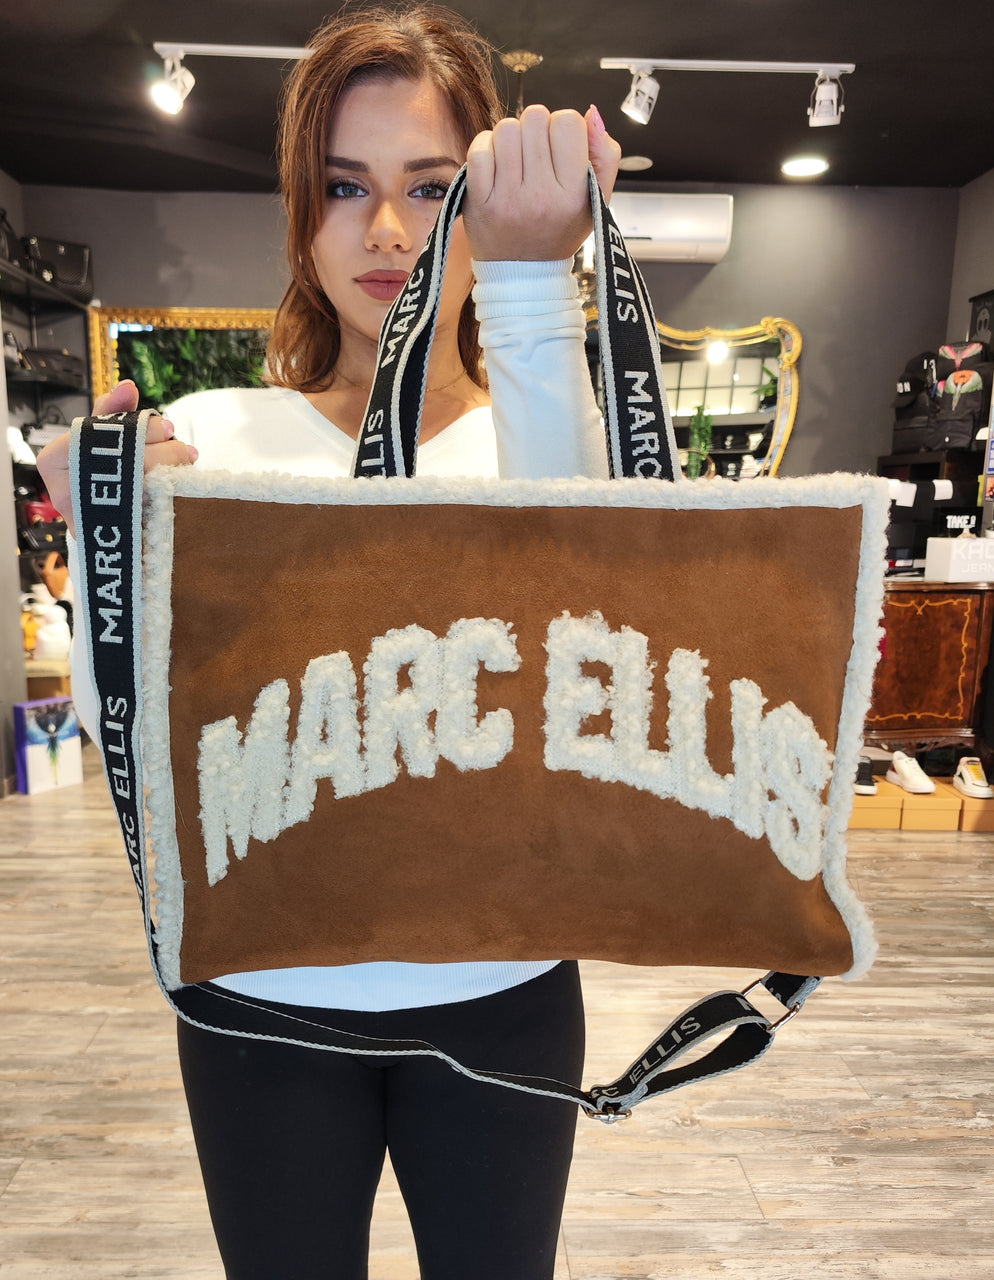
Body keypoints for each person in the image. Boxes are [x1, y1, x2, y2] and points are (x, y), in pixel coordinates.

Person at [38, 6, 621, 1278]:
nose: (389, 229)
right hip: (262, 994)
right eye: (346, 185)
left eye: (433, 186)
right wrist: (108, 548)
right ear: (302, 212)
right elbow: (120, 729)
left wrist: (533, 278)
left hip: (502, 982)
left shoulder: (544, 425)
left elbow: (593, 643)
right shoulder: (217, 437)